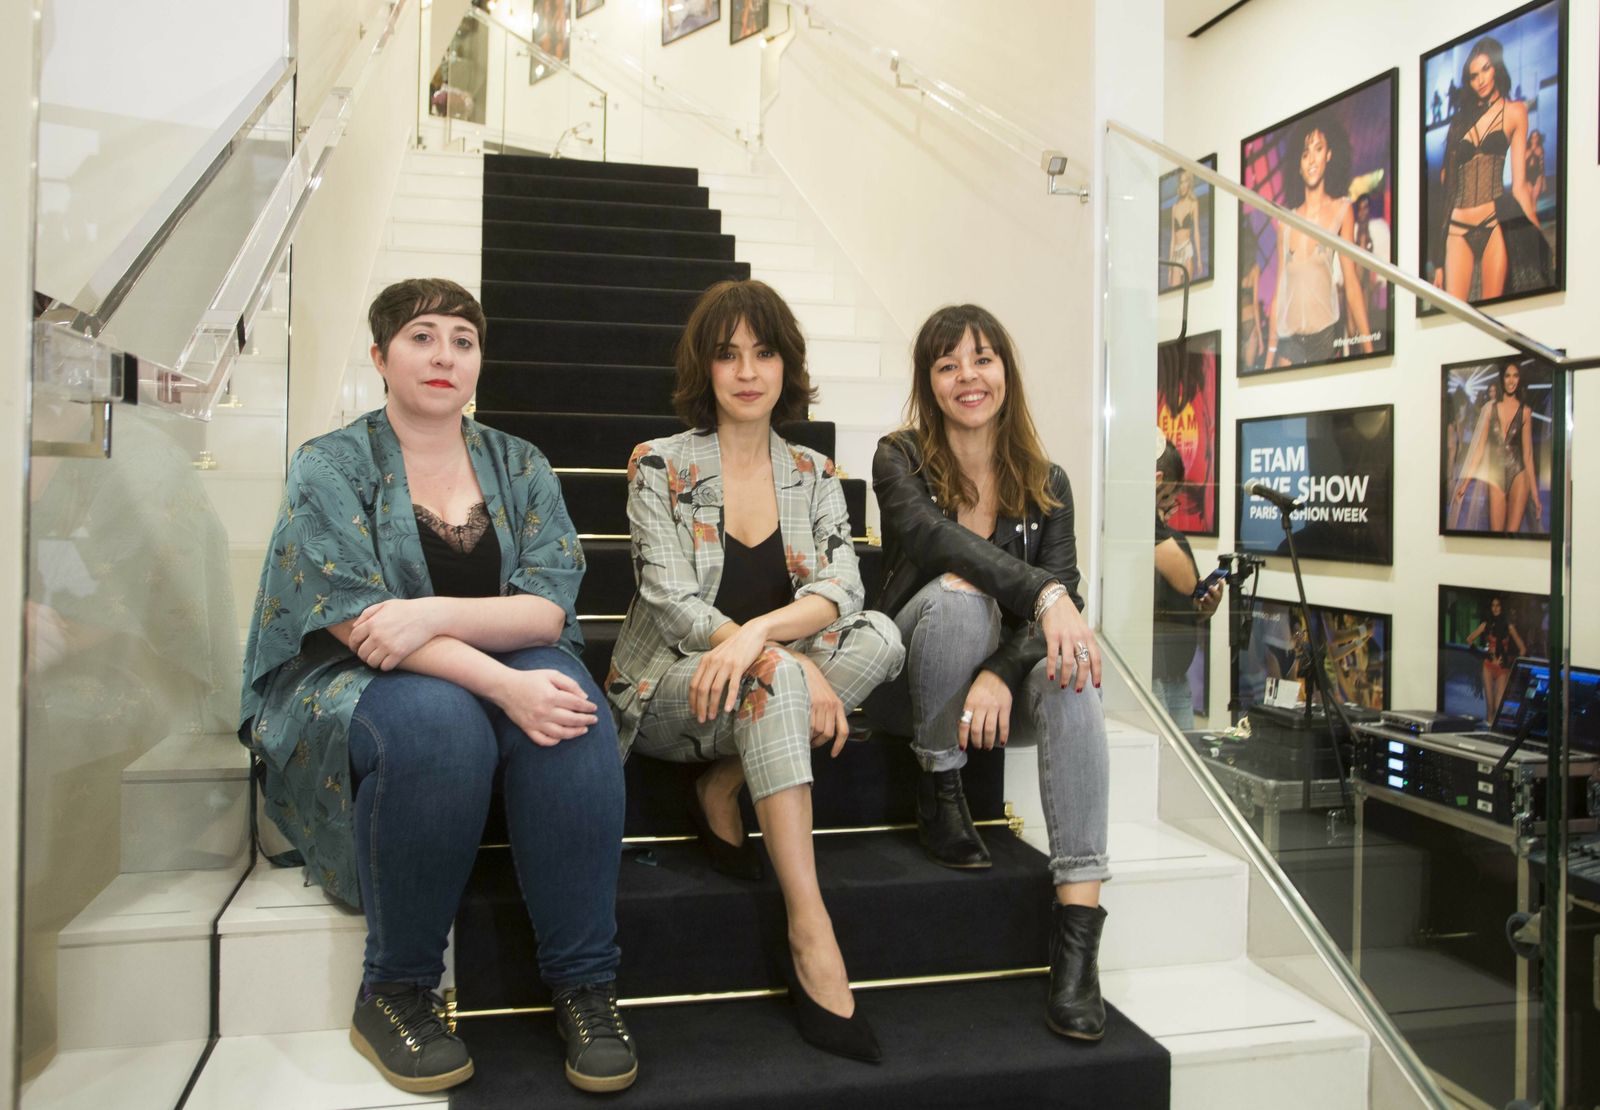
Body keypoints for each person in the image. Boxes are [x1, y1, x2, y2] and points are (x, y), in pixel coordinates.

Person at [239, 279, 637, 1096]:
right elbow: (357, 624)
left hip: (488, 647)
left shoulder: (519, 463)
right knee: (442, 726)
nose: (444, 356)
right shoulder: (330, 463)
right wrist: (500, 685)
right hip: (353, 674)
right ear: (380, 356)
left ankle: (586, 985)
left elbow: (546, 607)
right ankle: (395, 989)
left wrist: (429, 616)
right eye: (421, 337)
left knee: (571, 715)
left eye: (463, 340)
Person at [607, 279, 904, 1063]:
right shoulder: (658, 465)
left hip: (760, 676)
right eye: (727, 354)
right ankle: (809, 927)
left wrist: (765, 640)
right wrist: (777, 660)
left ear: (785, 365)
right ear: (703, 368)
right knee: (778, 678)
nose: (746, 371)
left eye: (763, 352)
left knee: (882, 637)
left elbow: (842, 590)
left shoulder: (813, 471)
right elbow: (672, 603)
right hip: (672, 687)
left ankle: (727, 780)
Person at [864, 303, 1112, 1042]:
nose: (967, 377)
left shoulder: (1048, 482)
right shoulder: (898, 457)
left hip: (998, 691)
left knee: (1071, 674)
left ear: (1006, 371)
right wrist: (1043, 594)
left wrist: (1002, 670)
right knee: (958, 594)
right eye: (948, 365)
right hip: (912, 677)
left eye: (982, 359)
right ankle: (940, 785)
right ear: (928, 382)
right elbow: (932, 540)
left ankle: (1077, 942)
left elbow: (1061, 607)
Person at [1431, 37, 1544, 302]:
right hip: (1457, 226)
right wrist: (1438, 262)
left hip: (1492, 222)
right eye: (1473, 76)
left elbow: (1519, 186)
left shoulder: (1515, 112)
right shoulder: (1459, 121)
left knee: (1492, 313)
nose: (1480, 80)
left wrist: (1537, 233)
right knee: (1456, 314)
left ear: (1496, 68)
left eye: (1485, 69)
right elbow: (1447, 185)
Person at [1263, 113, 1374, 368]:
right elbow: (1279, 293)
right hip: (1289, 341)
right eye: (1305, 154)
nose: (1312, 160)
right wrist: (1268, 360)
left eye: (1318, 149)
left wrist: (1369, 348)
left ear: (1329, 155)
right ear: (1298, 165)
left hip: (1325, 338)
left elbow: (1351, 283)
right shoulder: (1286, 222)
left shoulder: (1342, 210)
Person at [1153, 437, 1222, 730]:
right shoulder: (1141, 534)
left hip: (1178, 681)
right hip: (1149, 680)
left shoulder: (1175, 540)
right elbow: (1185, 581)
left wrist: (1206, 608)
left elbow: (1188, 599)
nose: (1172, 505)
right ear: (1158, 482)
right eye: (1170, 495)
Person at [1451, 361, 1542, 535]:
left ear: (1519, 379)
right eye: (1507, 376)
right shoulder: (1489, 409)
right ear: (1502, 379)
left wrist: (1536, 496)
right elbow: (1478, 450)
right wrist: (1465, 483)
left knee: (1511, 534)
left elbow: (1528, 455)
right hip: (1496, 474)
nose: (1511, 380)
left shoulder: (1525, 412)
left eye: (1515, 376)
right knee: (1496, 534)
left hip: (1519, 472)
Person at [1464, 595, 1527, 720]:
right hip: (1488, 666)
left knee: (1498, 708)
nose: (1495, 608)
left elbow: (1523, 650)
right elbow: (1469, 640)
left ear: (1502, 607)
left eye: (1498, 605)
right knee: (1490, 709)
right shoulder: (1486, 625)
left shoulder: (1509, 626)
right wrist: (1484, 654)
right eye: (1493, 605)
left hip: (1502, 669)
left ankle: (1496, 730)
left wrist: (1509, 661)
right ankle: (1489, 730)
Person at [1168, 169, 1203, 287]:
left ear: (1189, 183)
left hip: (1187, 249)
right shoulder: (1174, 207)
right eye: (1181, 182)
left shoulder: (1194, 203)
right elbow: (1173, 238)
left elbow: (1196, 232)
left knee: (1188, 290)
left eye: (1185, 182)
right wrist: (1170, 266)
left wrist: (1199, 259)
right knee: (1174, 289)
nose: (1183, 186)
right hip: (1176, 253)